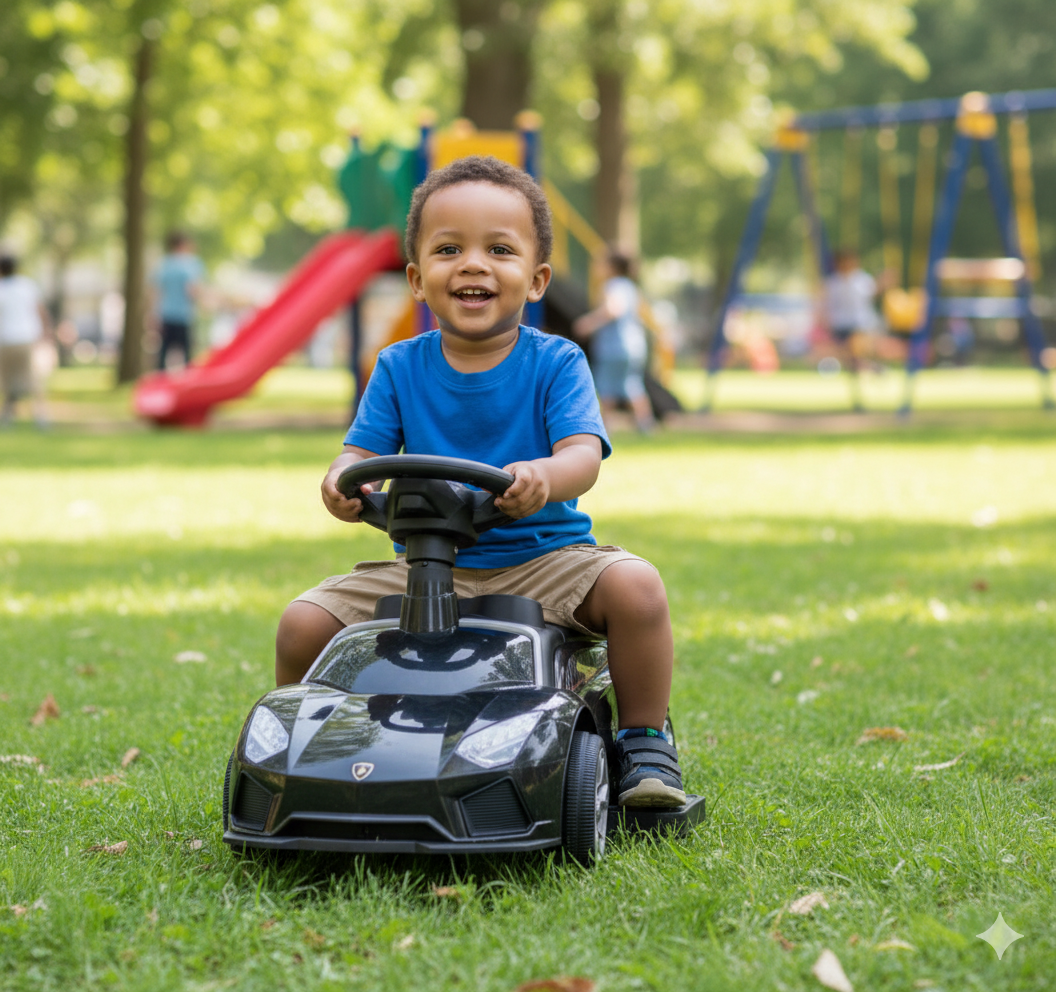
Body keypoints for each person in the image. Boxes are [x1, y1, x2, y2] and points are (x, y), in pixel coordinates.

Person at [274, 156, 685, 808]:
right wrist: (340, 484)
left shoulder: (555, 361)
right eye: (448, 249)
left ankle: (643, 742)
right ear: (416, 278)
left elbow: (584, 453)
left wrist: (544, 477)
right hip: (424, 571)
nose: (472, 264)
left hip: (541, 560)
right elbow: (357, 453)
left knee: (636, 587)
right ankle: (305, 754)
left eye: (499, 249)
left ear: (536, 278)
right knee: (301, 623)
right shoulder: (398, 366)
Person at [573, 251, 654, 432]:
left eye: (600, 263)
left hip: (615, 347)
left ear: (611, 267)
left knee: (605, 388)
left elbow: (613, 309)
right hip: (635, 346)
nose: (596, 268)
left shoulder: (612, 285)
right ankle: (646, 426)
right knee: (632, 385)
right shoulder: (630, 286)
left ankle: (601, 429)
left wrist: (589, 323)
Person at [823, 249, 882, 410]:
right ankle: (871, 371)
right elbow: (828, 305)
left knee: (853, 355)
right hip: (841, 325)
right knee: (850, 363)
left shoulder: (861, 279)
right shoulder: (833, 283)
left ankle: (863, 388)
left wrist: (882, 284)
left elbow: (873, 292)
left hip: (859, 325)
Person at [0, 254, 52, 428]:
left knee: (7, 379)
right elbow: (40, 310)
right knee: (32, 379)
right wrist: (46, 333)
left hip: (6, 340)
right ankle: (41, 416)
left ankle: (7, 417)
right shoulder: (27, 285)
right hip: (27, 339)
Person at [152, 231, 204, 370]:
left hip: (166, 313)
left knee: (164, 350)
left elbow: (157, 292)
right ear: (183, 245)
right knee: (186, 351)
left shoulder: (163, 264)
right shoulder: (190, 264)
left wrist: (154, 314)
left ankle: (160, 380)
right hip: (183, 314)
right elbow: (192, 290)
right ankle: (188, 382)